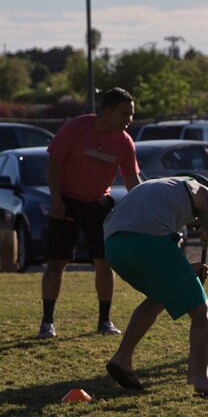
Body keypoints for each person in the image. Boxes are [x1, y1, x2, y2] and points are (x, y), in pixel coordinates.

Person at [102, 174, 208, 398]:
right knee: (202, 310)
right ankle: (202, 379)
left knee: (159, 295)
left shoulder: (160, 187)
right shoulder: (201, 190)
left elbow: (148, 243)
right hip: (149, 241)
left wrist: (186, 269)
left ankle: (121, 359)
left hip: (113, 246)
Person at [38, 87, 142, 339]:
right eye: (123, 114)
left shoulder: (124, 142)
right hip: (67, 202)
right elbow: (53, 161)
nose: (129, 120)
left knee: (105, 264)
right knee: (57, 263)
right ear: (107, 111)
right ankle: (47, 322)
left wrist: (147, 206)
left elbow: (132, 180)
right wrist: (56, 199)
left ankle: (105, 321)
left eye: (131, 114)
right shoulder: (76, 128)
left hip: (99, 204)